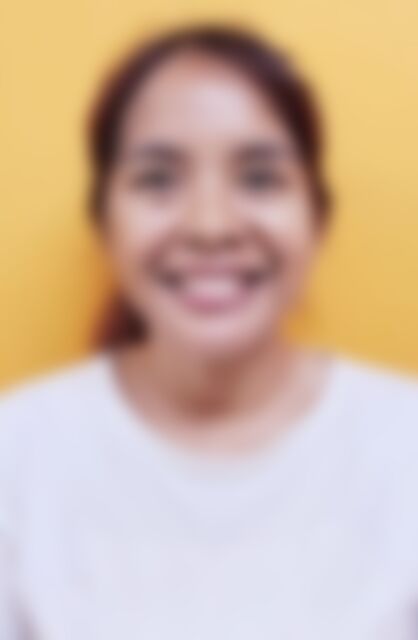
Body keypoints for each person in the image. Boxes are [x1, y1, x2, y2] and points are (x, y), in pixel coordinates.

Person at [1, 25, 417, 640]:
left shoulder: (404, 447)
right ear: (104, 220)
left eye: (259, 178)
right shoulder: (17, 455)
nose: (210, 225)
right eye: (157, 179)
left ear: (317, 214)